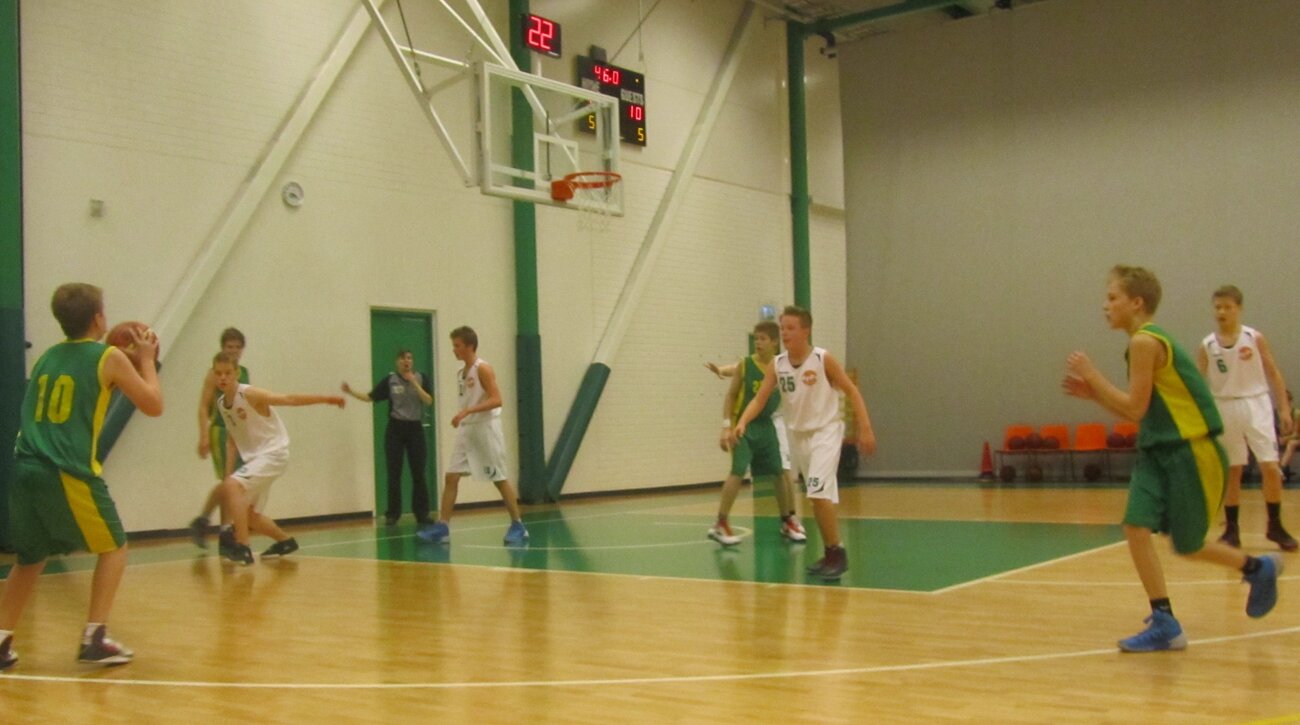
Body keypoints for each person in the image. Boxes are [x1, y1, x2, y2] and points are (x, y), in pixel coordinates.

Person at [1063, 265, 1282, 652]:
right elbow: (1142, 412)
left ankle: (1257, 568)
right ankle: (1164, 620)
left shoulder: (1146, 342)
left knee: (1188, 544)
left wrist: (1094, 377)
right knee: (1135, 527)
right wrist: (1095, 395)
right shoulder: (1139, 343)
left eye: (1112, 298)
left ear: (1136, 302)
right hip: (1155, 451)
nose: (1105, 305)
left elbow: (1134, 408)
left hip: (1189, 451)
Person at [0, 283, 163, 670]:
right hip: (65, 469)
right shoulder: (108, 357)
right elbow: (153, 404)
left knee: (30, 558)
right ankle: (95, 637)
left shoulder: (47, 357)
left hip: (24, 467)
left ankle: (1, 637)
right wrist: (146, 360)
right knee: (115, 547)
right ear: (98, 318)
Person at [731, 305, 875, 579]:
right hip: (799, 436)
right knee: (817, 498)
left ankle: (838, 553)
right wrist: (742, 422)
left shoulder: (822, 359)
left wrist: (865, 428)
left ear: (805, 330)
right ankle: (830, 552)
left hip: (825, 432)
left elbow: (852, 390)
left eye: (790, 328)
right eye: (782, 328)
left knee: (817, 494)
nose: (785, 333)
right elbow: (760, 399)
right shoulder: (778, 364)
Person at [212, 352, 345, 565]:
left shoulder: (249, 394)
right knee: (249, 514)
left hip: (273, 454)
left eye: (227, 373)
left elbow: (288, 399)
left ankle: (243, 548)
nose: (223, 377)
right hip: (257, 460)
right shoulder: (221, 404)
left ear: (237, 373)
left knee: (234, 489)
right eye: (218, 373)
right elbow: (231, 440)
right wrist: (227, 477)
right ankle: (285, 541)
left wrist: (326, 399)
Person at [1195, 285, 1297, 551]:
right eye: (1218, 307)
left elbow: (1273, 373)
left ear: (1238, 309)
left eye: (1227, 307)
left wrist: (1283, 409)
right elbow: (1196, 383)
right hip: (1223, 406)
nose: (1222, 312)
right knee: (1232, 470)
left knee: (1270, 466)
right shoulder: (1207, 345)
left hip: (1256, 403)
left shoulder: (1254, 338)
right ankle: (1231, 530)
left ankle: (1275, 525)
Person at [417, 326, 528, 546]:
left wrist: (468, 410)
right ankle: (443, 527)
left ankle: (518, 525)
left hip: (486, 429)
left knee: (499, 478)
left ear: (469, 346)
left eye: (457, 345)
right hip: (467, 430)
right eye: (453, 346)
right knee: (451, 477)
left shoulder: (483, 368)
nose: (454, 350)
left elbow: (497, 399)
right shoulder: (461, 373)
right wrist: (464, 415)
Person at [708, 322, 806, 545]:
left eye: (763, 339)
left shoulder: (781, 366)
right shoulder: (746, 364)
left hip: (766, 425)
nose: (758, 343)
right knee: (737, 471)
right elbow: (731, 395)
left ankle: (787, 520)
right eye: (756, 338)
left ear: (774, 342)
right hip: (744, 426)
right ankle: (720, 522)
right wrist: (726, 426)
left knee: (779, 472)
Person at [342, 349, 434, 526]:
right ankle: (393, 514)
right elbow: (370, 397)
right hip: (395, 430)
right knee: (394, 473)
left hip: (415, 429)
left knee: (418, 473)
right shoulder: (390, 381)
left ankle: (422, 513)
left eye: (409, 358)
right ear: (397, 362)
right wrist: (351, 391)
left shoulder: (421, 378)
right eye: (403, 359)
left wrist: (414, 383)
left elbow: (428, 400)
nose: (406, 361)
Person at [190, 327, 249, 552]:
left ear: (242, 349)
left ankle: (219, 529)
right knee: (229, 483)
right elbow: (203, 407)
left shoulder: (244, 372)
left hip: (239, 433)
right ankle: (210, 523)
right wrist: (204, 435)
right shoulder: (215, 374)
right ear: (223, 348)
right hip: (221, 431)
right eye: (229, 347)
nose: (233, 351)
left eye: (237, 347)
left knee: (233, 485)